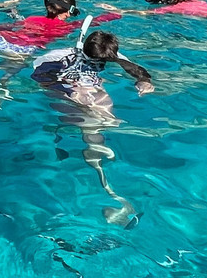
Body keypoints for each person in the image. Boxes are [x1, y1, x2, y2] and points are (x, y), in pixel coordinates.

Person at [32, 25, 153, 226]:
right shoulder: (60, 57)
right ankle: (109, 190)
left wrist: (144, 80)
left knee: (99, 120)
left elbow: (134, 68)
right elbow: (39, 75)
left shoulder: (106, 53)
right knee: (93, 126)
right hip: (66, 93)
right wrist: (70, 93)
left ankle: (110, 188)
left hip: (89, 92)